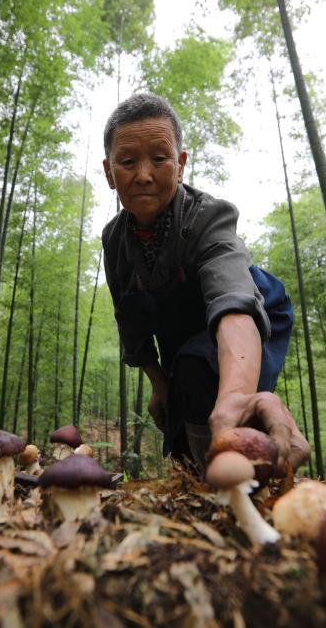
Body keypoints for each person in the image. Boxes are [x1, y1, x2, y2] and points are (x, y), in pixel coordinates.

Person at [100, 92, 311, 475]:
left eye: (160, 159)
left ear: (180, 165)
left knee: (207, 381)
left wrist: (234, 395)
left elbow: (234, 302)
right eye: (128, 162)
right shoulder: (114, 240)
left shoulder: (209, 217)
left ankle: (246, 481)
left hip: (248, 318)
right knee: (179, 418)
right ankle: (202, 483)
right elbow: (129, 321)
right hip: (180, 333)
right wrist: (159, 384)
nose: (143, 175)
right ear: (109, 172)